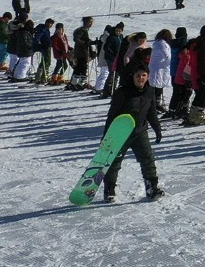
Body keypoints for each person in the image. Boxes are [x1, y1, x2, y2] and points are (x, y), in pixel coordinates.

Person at [101, 66, 165, 202]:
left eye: (143, 75)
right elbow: (112, 115)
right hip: (121, 133)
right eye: (138, 75)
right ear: (133, 76)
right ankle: (109, 190)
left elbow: (151, 113)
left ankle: (151, 188)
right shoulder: (123, 92)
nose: (141, 78)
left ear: (147, 76)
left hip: (139, 132)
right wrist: (107, 137)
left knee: (148, 159)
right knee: (115, 162)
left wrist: (157, 129)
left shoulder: (150, 91)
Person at [185, 25, 205, 123]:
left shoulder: (198, 42)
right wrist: (204, 73)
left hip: (197, 71)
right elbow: (202, 60)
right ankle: (197, 115)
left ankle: (193, 115)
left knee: (200, 93)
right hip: (203, 72)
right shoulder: (204, 44)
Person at [68, 17, 95, 89]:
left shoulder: (84, 30)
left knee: (79, 68)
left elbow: (87, 41)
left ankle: (74, 83)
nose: (91, 24)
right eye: (90, 22)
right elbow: (76, 39)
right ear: (86, 22)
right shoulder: (82, 30)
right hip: (81, 52)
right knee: (82, 68)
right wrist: (85, 43)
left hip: (81, 52)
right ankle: (80, 83)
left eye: (92, 22)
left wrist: (93, 42)